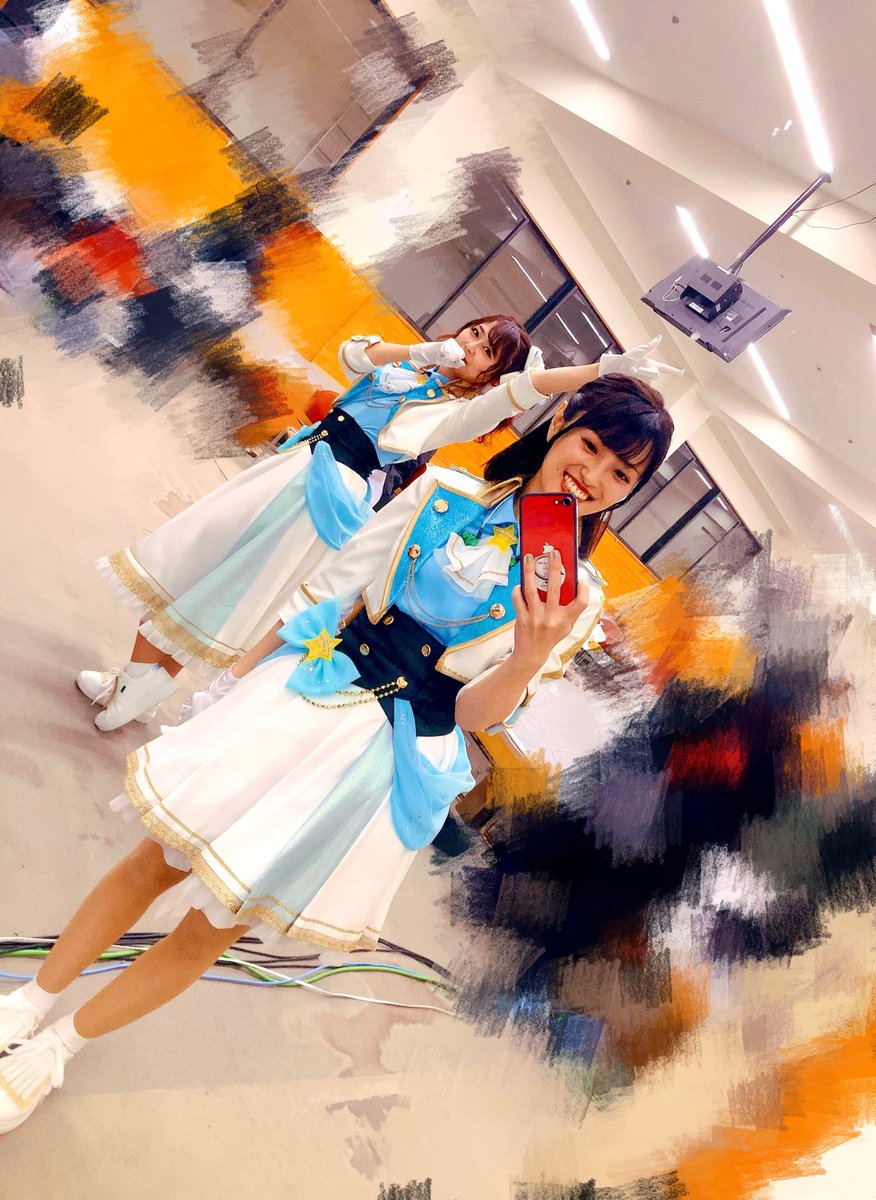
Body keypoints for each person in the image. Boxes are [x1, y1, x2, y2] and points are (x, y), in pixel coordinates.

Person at [0, 369, 675, 1135]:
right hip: (308, 692)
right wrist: (231, 682)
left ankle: (57, 1047)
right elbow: (329, 590)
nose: (594, 476)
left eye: (622, 474)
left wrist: (526, 657)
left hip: (375, 764)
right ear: (558, 427)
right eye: (591, 446)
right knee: (157, 859)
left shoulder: (579, 601)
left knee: (215, 923)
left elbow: (472, 713)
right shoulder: (443, 494)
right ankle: (28, 1001)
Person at [78, 320, 679, 731]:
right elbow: (353, 357)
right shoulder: (417, 373)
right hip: (294, 463)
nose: (470, 347)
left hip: (323, 495)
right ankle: (130, 679)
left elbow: (519, 394)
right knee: (197, 558)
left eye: (487, 352)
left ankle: (141, 685)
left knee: (227, 586)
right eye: (474, 333)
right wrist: (421, 353)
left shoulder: (459, 416)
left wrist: (595, 371)